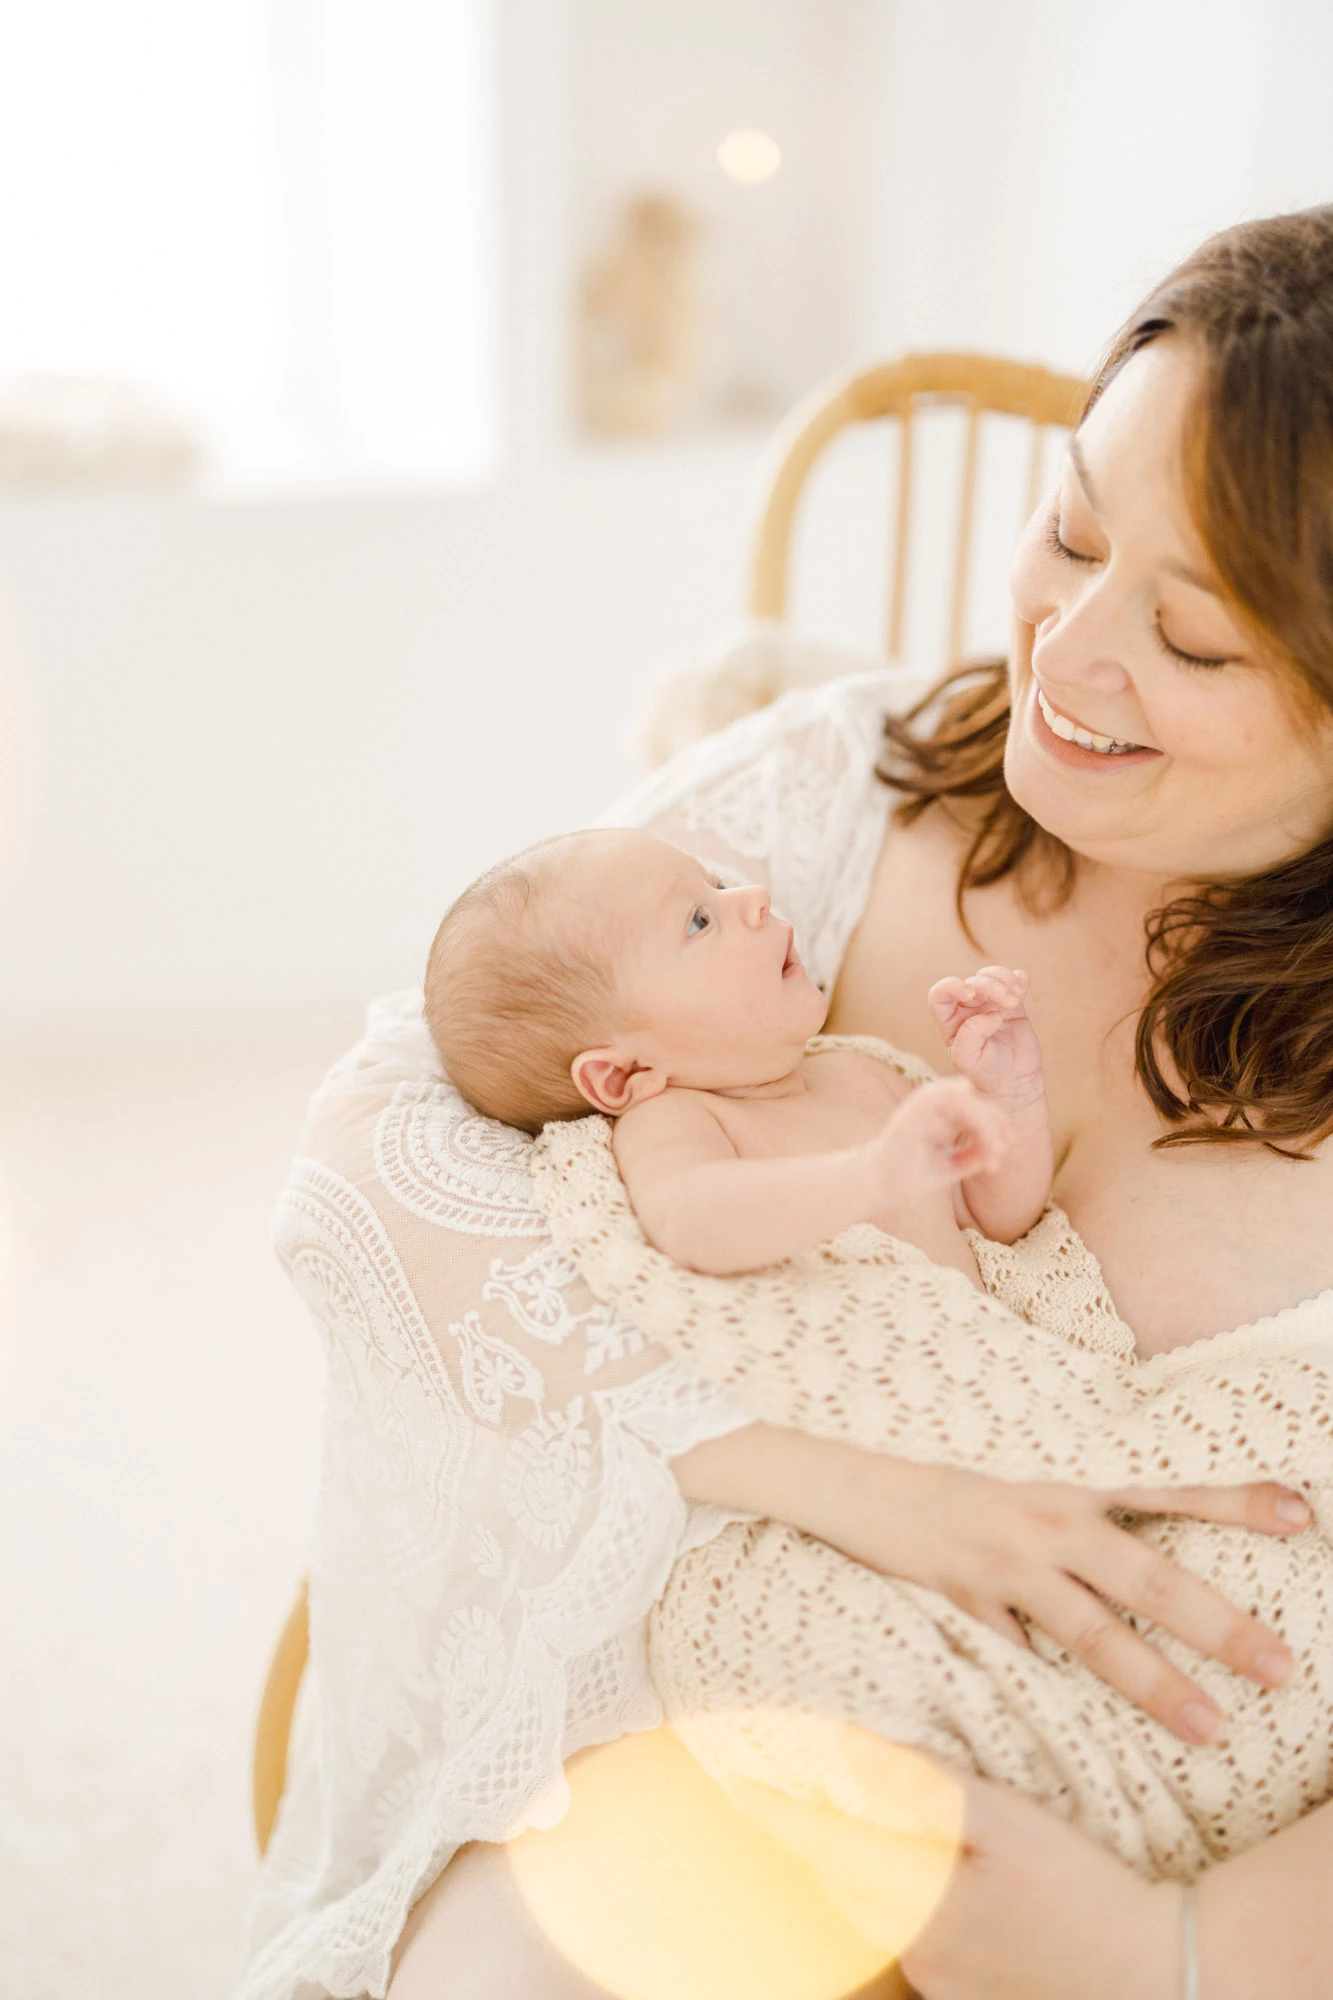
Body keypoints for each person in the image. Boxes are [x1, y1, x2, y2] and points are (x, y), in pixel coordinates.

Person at [236, 207, 1333, 2000]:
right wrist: (834, 1477)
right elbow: (384, 1151)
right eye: (1063, 530)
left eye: (1192, 639)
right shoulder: (839, 789)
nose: (1058, 662)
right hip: (686, 1774)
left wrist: (1170, 1950)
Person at [423, 824, 1049, 1270]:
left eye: (716, 883)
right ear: (623, 1075)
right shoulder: (679, 1120)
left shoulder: (862, 1070)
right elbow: (695, 1226)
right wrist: (872, 1174)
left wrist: (1011, 1091)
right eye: (699, 920)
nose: (753, 899)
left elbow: (993, 1217)